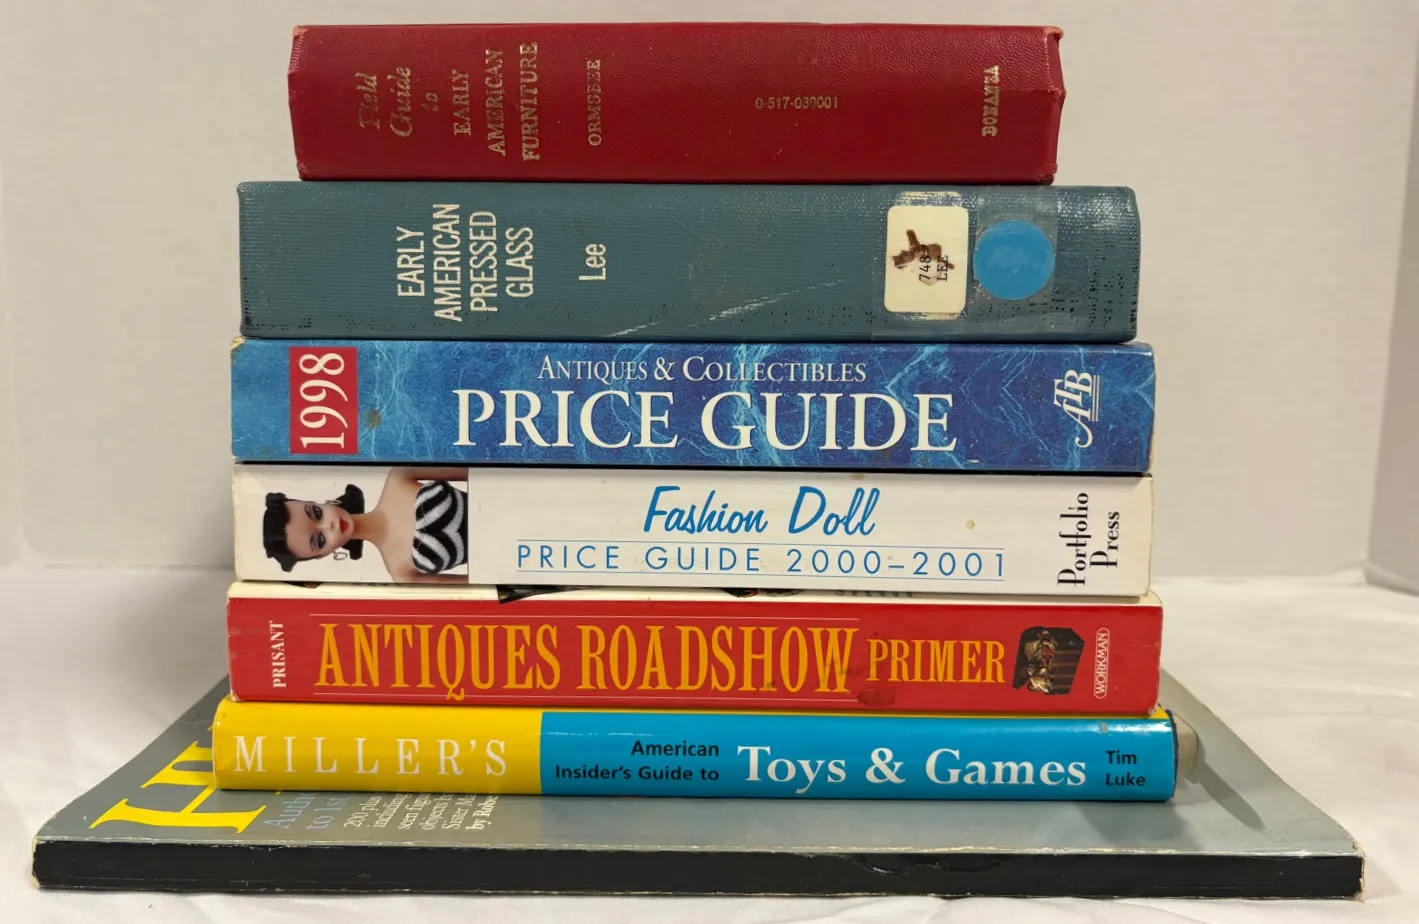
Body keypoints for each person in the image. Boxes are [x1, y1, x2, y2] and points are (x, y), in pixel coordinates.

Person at [262, 467, 469, 583]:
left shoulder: (399, 477)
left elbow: (479, 469)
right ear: (323, 555)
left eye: (317, 513)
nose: (329, 526)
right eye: (320, 540)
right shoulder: (401, 573)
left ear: (318, 502)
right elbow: (476, 588)